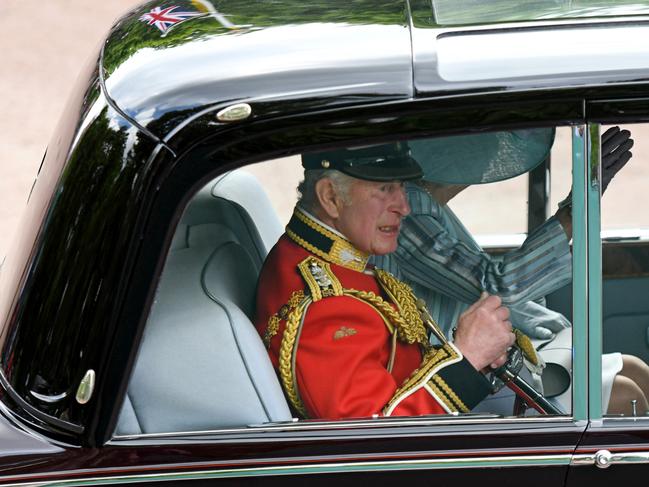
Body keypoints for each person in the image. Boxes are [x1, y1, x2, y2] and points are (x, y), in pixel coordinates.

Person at [374, 126, 649, 415]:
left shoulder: (427, 205)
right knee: (626, 394)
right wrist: (574, 208)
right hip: (454, 372)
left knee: (635, 369)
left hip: (489, 357)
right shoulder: (410, 211)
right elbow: (498, 285)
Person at [255, 143, 517, 420]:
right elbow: (374, 440)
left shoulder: (324, 258)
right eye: (384, 189)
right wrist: (468, 358)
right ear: (330, 197)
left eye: (401, 186)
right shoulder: (325, 308)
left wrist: (470, 361)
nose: (404, 207)